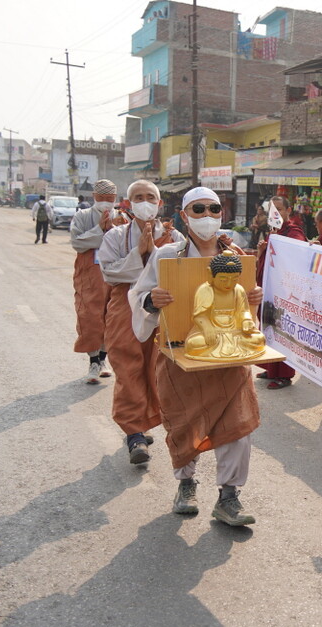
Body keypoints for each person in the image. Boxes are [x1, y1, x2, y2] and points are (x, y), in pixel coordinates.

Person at [131, 186, 262, 526]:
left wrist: (254, 299)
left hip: (228, 357)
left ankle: (229, 497)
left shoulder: (235, 257)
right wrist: (151, 301)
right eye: (198, 209)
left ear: (222, 214)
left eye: (213, 209)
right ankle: (186, 484)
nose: (207, 216)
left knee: (238, 427)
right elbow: (138, 294)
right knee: (183, 423)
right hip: (181, 356)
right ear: (185, 216)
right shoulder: (167, 257)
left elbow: (243, 306)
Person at [98, 180, 183, 464]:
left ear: (159, 204)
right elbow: (110, 273)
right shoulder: (115, 236)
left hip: (164, 307)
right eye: (138, 197)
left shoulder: (174, 237)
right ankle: (135, 432)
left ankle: (146, 418)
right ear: (128, 203)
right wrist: (140, 254)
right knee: (128, 365)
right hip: (125, 307)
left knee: (158, 368)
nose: (144, 202)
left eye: (150, 197)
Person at [255, 195, 307, 390]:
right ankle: (271, 368)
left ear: (288, 211)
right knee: (269, 330)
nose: (275, 213)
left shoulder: (293, 231)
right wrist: (262, 252)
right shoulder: (273, 232)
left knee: (282, 331)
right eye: (272, 210)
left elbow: (297, 253)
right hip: (270, 289)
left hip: (284, 291)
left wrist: (275, 247)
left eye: (279, 209)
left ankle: (284, 375)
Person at [70, 179, 119, 384]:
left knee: (111, 317)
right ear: (94, 197)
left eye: (110, 199)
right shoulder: (82, 216)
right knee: (89, 316)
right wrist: (99, 230)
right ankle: (93, 361)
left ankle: (103, 360)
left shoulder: (122, 217)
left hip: (114, 274)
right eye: (102, 198)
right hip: (89, 274)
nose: (106, 202)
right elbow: (77, 243)